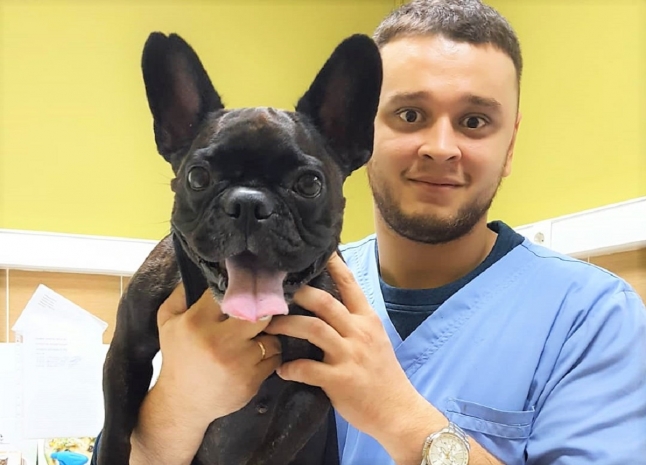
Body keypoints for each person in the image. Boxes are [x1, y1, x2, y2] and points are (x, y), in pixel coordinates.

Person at [92, 0, 646, 464]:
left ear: (511, 144)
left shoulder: (593, 318)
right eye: (409, 115)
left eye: (475, 121)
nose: (441, 147)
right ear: (363, 132)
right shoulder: (270, 284)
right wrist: (177, 405)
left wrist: (398, 416)